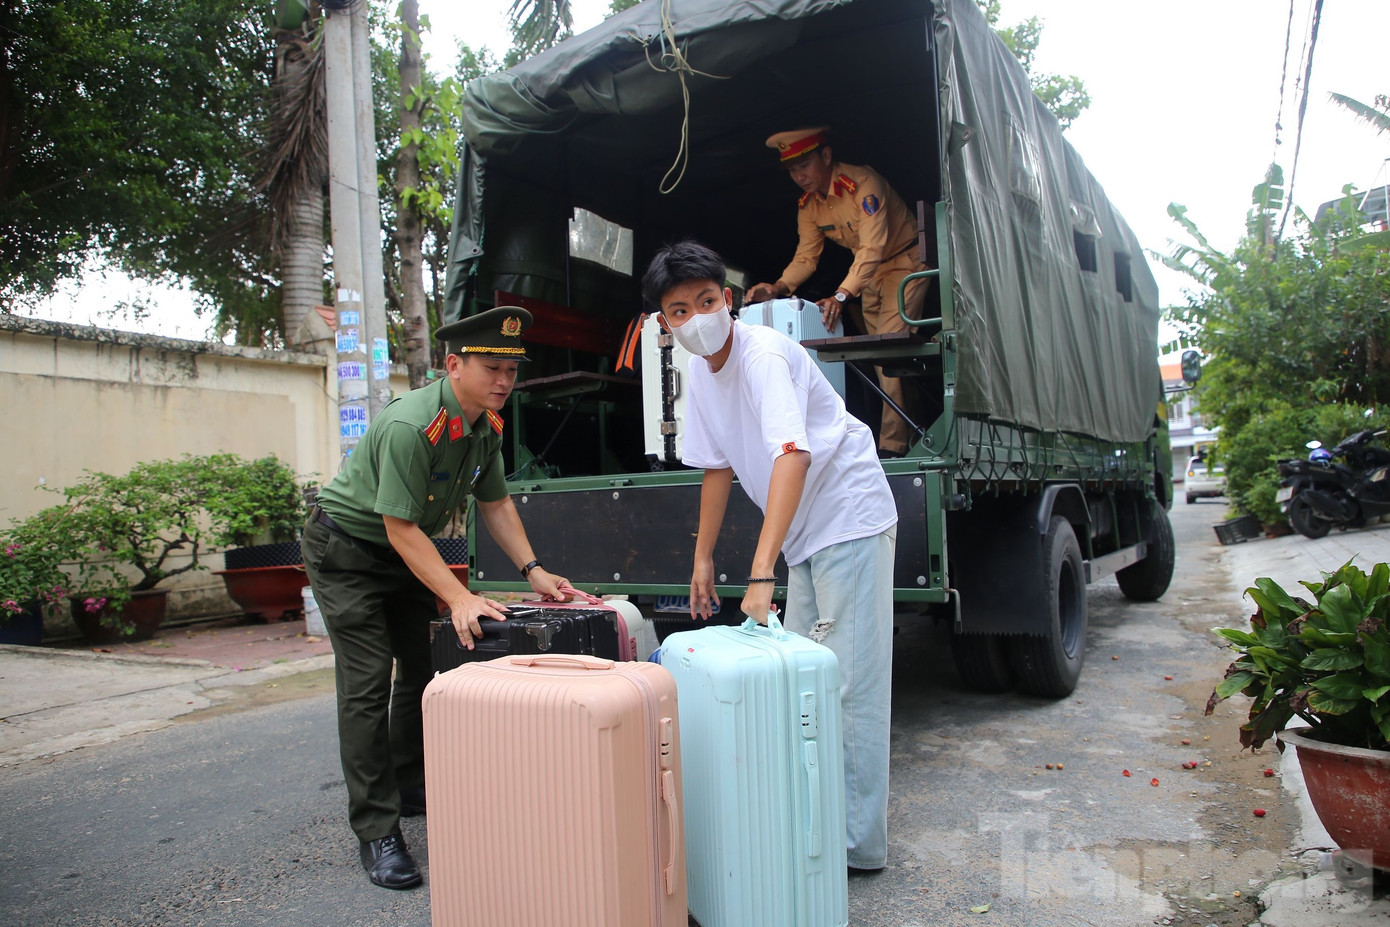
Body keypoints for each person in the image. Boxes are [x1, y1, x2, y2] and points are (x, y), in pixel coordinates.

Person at [643, 240, 898, 871]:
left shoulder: (763, 355)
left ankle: (855, 849)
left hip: (847, 515)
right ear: (664, 324)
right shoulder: (699, 376)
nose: (696, 317)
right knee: (807, 680)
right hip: (805, 531)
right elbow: (716, 467)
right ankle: (820, 824)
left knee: (849, 686)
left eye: (705, 301)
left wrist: (761, 572)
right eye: (679, 310)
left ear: (726, 300)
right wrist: (703, 559)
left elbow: (794, 453)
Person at [302, 306, 572, 890]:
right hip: (346, 551)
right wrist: (457, 597)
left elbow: (495, 502)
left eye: (512, 369)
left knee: (423, 667)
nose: (504, 380)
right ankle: (376, 827)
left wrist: (534, 571)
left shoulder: (487, 426)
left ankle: (406, 783)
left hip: (401, 553)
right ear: (454, 365)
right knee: (368, 680)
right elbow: (400, 527)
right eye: (490, 366)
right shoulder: (411, 425)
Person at [745, 126, 931, 458]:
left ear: (826, 156)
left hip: (904, 264)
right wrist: (777, 287)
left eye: (804, 166)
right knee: (885, 362)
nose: (799, 176)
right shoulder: (809, 206)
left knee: (887, 349)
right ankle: (915, 428)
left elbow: (872, 247)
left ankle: (892, 448)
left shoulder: (863, 184)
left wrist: (842, 295)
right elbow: (806, 257)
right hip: (869, 278)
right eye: (792, 170)